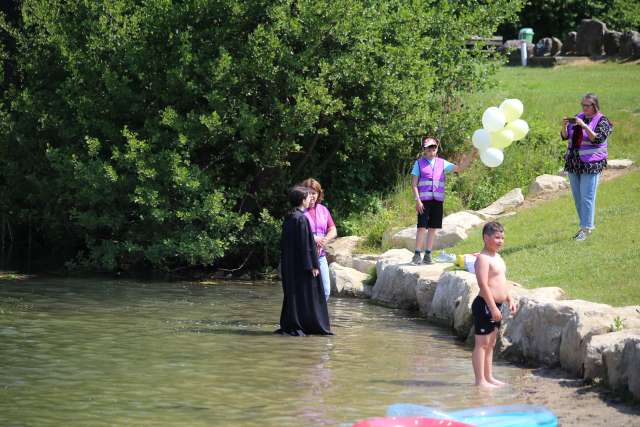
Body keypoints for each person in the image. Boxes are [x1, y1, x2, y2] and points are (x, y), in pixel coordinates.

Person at [276, 186, 332, 336]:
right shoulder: (301, 218)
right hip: (301, 266)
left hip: (290, 264)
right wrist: (312, 265)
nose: (310, 200)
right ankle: (308, 324)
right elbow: (306, 245)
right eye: (308, 197)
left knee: (293, 295)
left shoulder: (289, 216)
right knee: (308, 295)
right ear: (302, 200)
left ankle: (293, 323)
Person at [411, 136, 472, 265]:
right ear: (424, 149)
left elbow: (460, 168)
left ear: (437, 148)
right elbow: (414, 184)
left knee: (433, 227)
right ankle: (417, 254)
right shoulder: (418, 163)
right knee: (422, 227)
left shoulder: (442, 163)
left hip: (437, 201)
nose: (432, 149)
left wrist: (472, 155)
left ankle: (428, 254)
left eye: (434, 147)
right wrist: (418, 200)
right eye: (429, 147)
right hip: (423, 201)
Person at [561, 93, 613, 241]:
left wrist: (584, 126)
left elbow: (598, 139)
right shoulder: (578, 116)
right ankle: (584, 226)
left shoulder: (603, 121)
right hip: (573, 162)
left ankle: (586, 229)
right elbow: (565, 137)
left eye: (587, 105)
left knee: (587, 198)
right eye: (582, 105)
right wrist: (564, 126)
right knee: (578, 198)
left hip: (591, 164)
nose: (583, 108)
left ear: (595, 106)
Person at [471, 221, 517, 388]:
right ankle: (480, 380)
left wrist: (509, 298)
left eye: (502, 237)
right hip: (485, 305)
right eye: (497, 237)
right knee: (482, 344)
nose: (501, 241)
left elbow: (501, 282)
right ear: (485, 237)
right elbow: (483, 285)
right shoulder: (483, 259)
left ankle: (488, 377)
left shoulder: (497, 257)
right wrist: (492, 307)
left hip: (496, 305)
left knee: (491, 343)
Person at [301, 178, 337, 300]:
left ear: (319, 194)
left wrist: (324, 240)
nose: (312, 196)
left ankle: (319, 317)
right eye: (309, 193)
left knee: (326, 291)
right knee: (306, 292)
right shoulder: (300, 211)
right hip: (304, 257)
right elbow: (297, 232)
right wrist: (314, 238)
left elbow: (333, 230)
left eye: (314, 193)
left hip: (320, 257)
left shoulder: (323, 209)